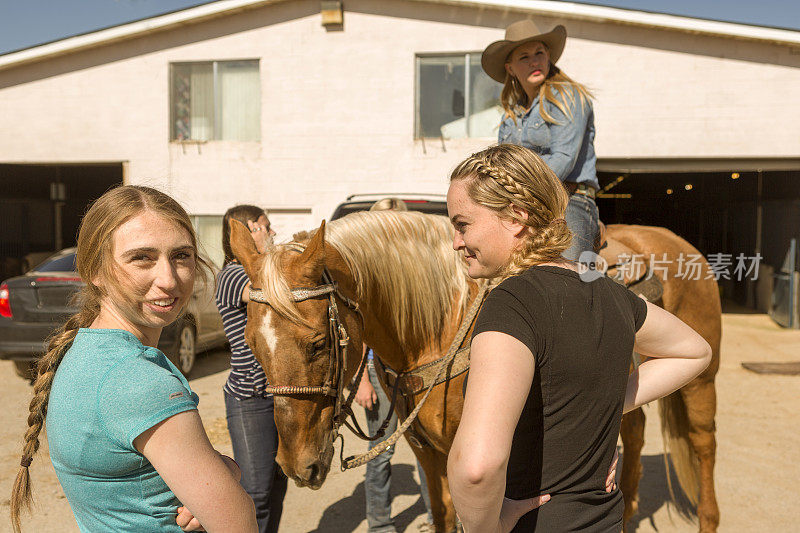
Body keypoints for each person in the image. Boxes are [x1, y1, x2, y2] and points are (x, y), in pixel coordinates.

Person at [445, 145, 712, 532]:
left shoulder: (511, 303)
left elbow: (475, 468)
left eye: (462, 224)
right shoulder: (612, 294)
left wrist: (488, 526)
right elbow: (694, 352)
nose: (455, 241)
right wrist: (602, 410)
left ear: (517, 218)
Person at [10, 185, 257, 533]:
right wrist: (228, 482)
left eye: (181, 256)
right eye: (142, 257)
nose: (169, 279)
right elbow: (237, 522)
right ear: (95, 271)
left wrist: (218, 475)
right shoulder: (136, 380)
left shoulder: (83, 351)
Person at [482, 19, 600, 261]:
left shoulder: (569, 96)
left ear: (548, 58)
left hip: (570, 201)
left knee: (566, 277)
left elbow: (564, 159)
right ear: (511, 68)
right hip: (524, 205)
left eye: (539, 53)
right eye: (524, 57)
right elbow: (503, 164)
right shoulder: (511, 116)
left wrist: (520, 194)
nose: (534, 61)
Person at [353, 197, 434, 533]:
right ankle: (381, 526)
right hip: (378, 372)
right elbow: (354, 328)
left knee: (428, 451)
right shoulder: (363, 272)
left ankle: (438, 517)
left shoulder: (420, 269)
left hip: (419, 373)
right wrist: (360, 379)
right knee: (380, 452)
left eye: (396, 221)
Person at [216, 205, 287, 533]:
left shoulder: (260, 271)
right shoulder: (233, 274)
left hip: (276, 395)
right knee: (255, 491)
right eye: (264, 227)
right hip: (250, 398)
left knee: (276, 487)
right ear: (242, 234)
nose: (272, 233)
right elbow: (268, 295)